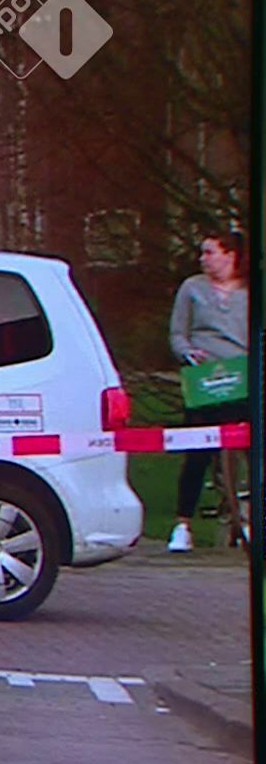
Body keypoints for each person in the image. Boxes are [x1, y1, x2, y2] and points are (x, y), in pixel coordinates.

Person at [168, 229, 251, 552]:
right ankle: (183, 524)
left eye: (210, 252)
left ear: (230, 255)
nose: (203, 259)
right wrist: (188, 353)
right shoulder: (192, 288)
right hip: (205, 380)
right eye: (202, 252)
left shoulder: (249, 291)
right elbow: (178, 333)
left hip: (241, 378)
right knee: (197, 452)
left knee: (248, 450)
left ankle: (245, 519)